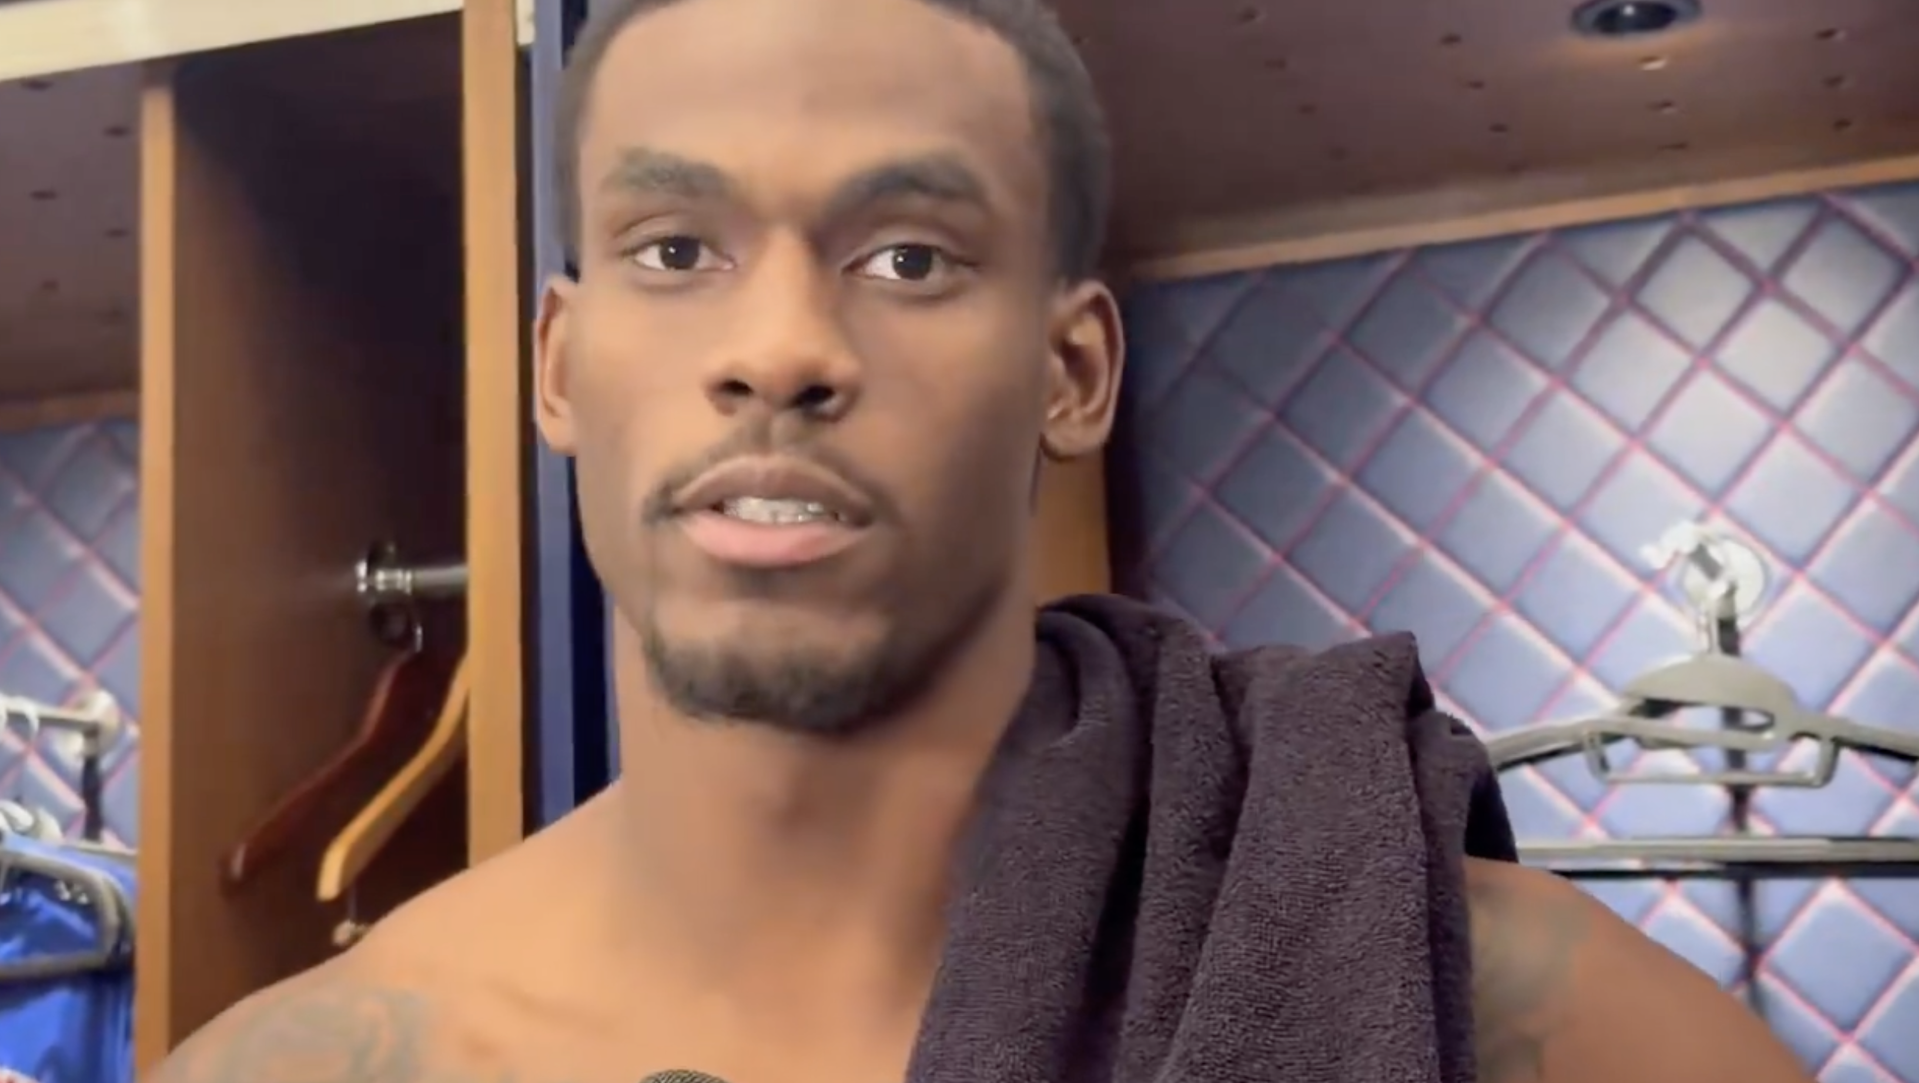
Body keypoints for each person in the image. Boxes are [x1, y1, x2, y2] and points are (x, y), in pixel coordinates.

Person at [147, 0, 1818, 1081]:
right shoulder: (304, 1065)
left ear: (1070, 371)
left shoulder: (1548, 1027)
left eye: (909, 258)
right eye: (674, 249)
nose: (782, 349)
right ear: (560, 367)